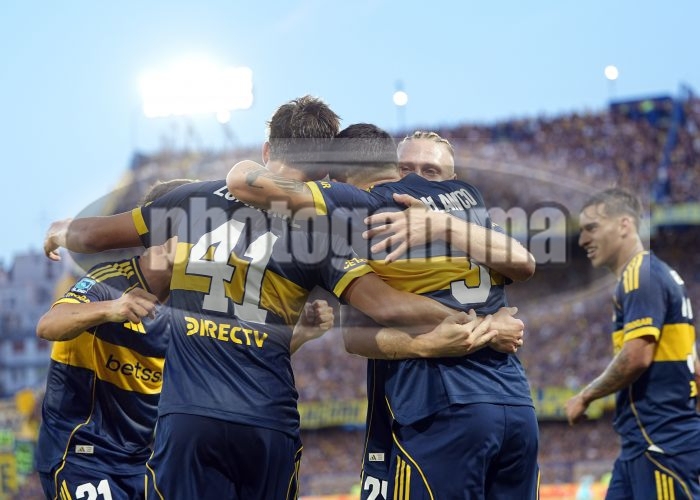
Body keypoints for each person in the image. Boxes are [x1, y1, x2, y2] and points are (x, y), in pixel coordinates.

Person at [43, 98, 495, 499]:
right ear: (324, 171)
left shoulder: (191, 198)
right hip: (267, 421)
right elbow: (388, 307)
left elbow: (94, 235)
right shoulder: (322, 230)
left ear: (267, 150)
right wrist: (477, 320)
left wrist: (63, 230)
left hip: (189, 420)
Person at [226, 125, 539, 499]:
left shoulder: (370, 206)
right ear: (392, 163)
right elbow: (525, 263)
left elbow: (246, 183)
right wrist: (489, 325)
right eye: (406, 168)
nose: (414, 179)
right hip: (515, 403)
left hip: (439, 404)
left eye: (430, 170)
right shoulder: (471, 201)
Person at [34, 179, 190, 500]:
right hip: (82, 456)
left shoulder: (189, 305)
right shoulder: (110, 281)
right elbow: (49, 325)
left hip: (143, 465)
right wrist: (110, 309)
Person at [565, 187, 700, 499]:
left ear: (624, 225)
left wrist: (585, 396)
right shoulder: (657, 274)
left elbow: (637, 357)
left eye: (591, 228)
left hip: (661, 444)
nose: (583, 240)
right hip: (642, 445)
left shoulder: (640, 275)